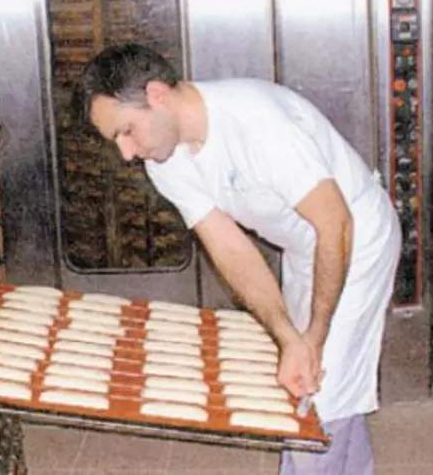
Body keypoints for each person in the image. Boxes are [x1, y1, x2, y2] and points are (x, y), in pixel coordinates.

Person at [72, 43, 401, 474]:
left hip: (355, 235)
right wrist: (289, 337)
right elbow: (232, 250)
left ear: (157, 95)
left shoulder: (257, 122)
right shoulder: (166, 161)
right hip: (306, 248)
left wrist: (315, 336)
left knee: (315, 398)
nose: (126, 153)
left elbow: (335, 224)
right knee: (324, 378)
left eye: (126, 131)